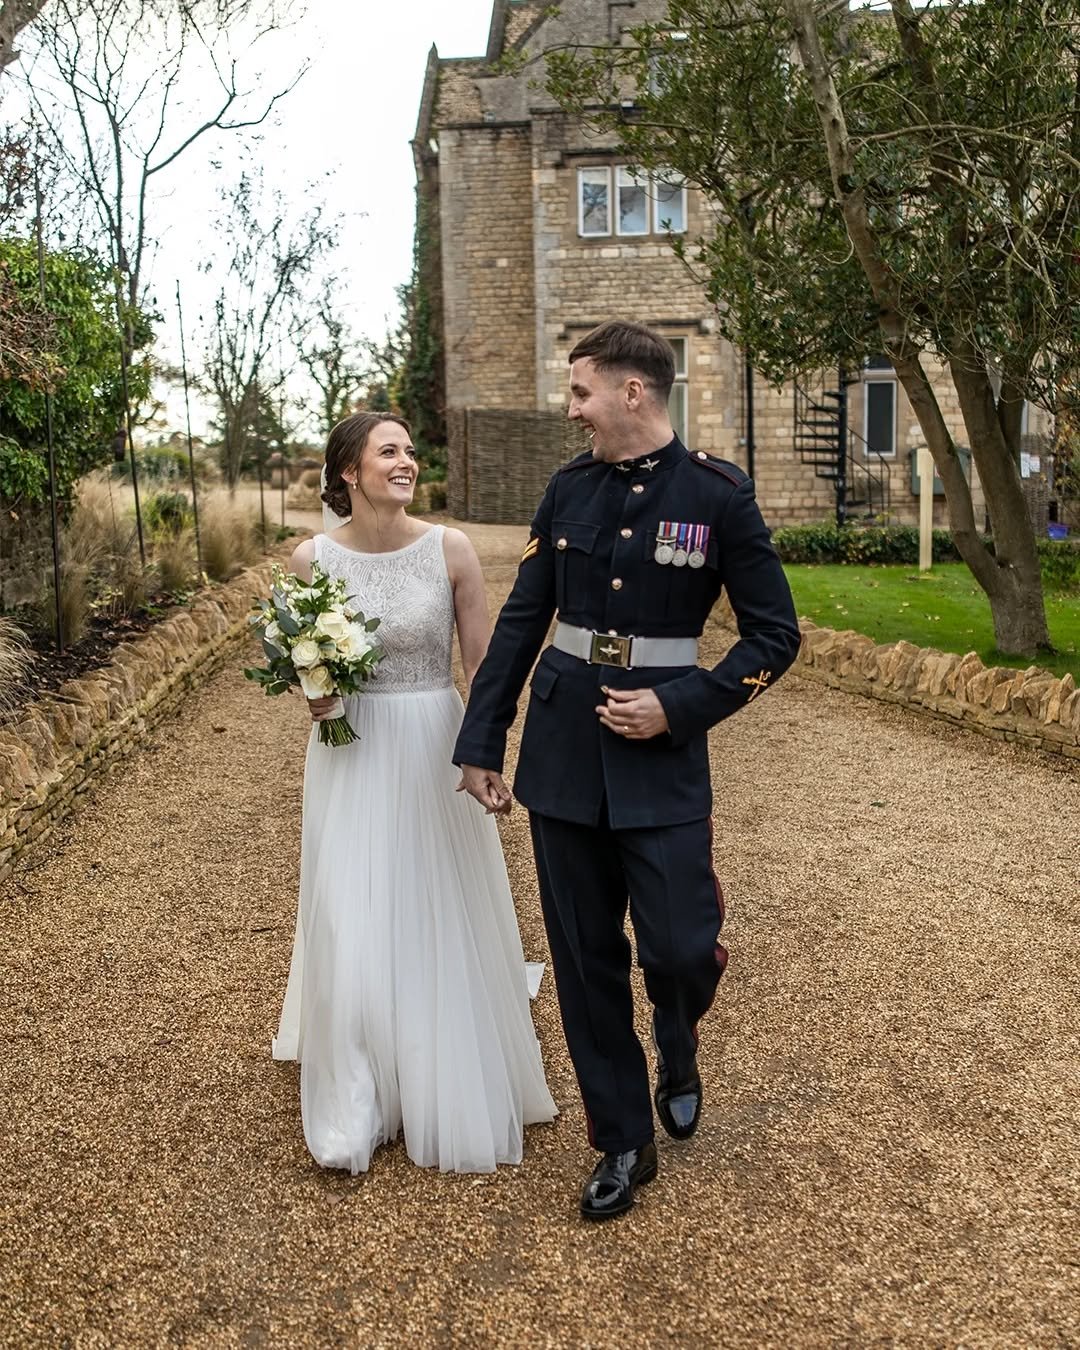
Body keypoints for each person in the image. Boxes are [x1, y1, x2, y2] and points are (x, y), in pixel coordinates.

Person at [455, 320, 801, 1219]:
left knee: (680, 947)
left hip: (663, 757)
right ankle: (622, 1139)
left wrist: (679, 706)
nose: (572, 410)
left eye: (581, 392)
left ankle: (678, 1037)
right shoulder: (566, 490)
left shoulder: (718, 496)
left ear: (632, 392)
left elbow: (775, 636)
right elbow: (524, 621)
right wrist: (482, 739)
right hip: (565, 751)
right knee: (584, 959)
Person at [272, 411, 556, 1175]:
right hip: (350, 752)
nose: (406, 462)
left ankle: (435, 1071)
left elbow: (483, 668)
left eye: (409, 451)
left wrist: (485, 753)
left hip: (434, 740)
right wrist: (315, 696)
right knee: (347, 912)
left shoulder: (450, 549)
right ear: (348, 472)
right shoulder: (311, 560)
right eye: (388, 451)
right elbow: (305, 663)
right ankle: (357, 1096)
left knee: (431, 901)